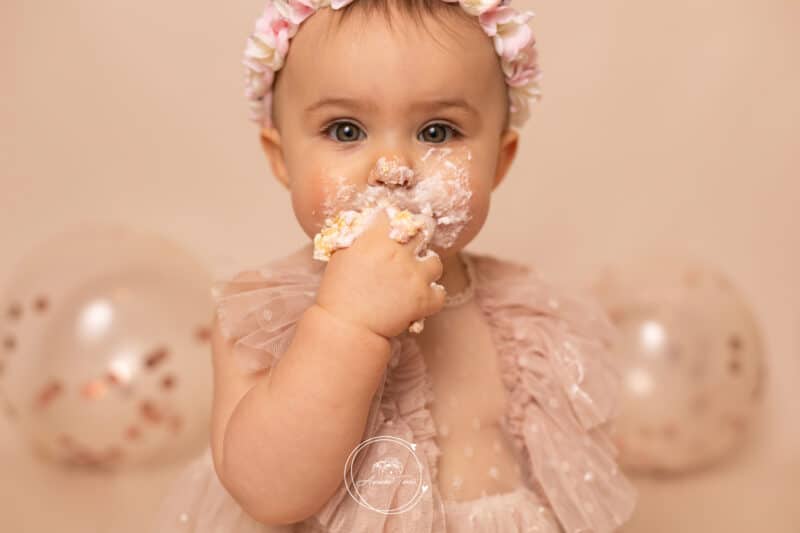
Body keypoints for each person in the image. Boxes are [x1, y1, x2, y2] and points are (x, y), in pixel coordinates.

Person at [152, 0, 637, 531]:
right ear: (280, 158)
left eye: (437, 132)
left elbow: (564, 479)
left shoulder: (525, 313)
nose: (392, 169)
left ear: (499, 161)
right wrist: (344, 324)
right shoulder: (266, 315)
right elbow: (270, 494)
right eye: (344, 130)